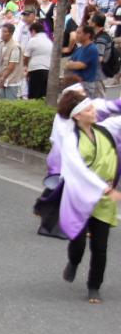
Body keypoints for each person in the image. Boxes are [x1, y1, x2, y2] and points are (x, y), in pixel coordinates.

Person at [55, 92, 121, 304]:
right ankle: (74, 261)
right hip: (79, 197)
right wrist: (105, 188)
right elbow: (78, 171)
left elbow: (114, 111)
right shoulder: (70, 139)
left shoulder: (106, 129)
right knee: (78, 244)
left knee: (100, 246)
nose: (94, 112)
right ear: (76, 116)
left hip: (103, 199)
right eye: (88, 110)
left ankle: (94, 287)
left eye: (93, 108)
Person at [65, 25, 102, 98]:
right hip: (76, 84)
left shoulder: (92, 48)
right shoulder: (79, 49)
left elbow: (80, 65)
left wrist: (71, 64)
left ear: (87, 35)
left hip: (86, 85)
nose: (76, 35)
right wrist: (71, 64)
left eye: (79, 33)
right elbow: (67, 64)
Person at [24, 22, 53, 99]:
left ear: (33, 31)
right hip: (47, 70)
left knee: (33, 94)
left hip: (35, 69)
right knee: (43, 94)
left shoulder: (33, 40)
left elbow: (26, 56)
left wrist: (25, 66)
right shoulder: (49, 41)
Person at [0, 23, 24, 99]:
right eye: (2, 31)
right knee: (3, 103)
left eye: (5, 32)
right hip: (4, 79)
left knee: (10, 103)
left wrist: (2, 78)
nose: (2, 34)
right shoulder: (3, 45)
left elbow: (11, 66)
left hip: (11, 80)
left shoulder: (15, 47)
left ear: (11, 33)